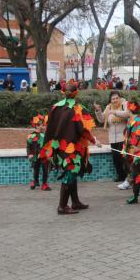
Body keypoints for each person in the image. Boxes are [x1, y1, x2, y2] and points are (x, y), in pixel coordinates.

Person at [40, 80, 100, 215]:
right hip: (73, 148)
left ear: (63, 93)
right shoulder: (78, 109)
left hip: (59, 147)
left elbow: (48, 127)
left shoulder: (55, 108)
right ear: (76, 93)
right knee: (70, 173)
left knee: (70, 173)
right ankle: (62, 206)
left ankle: (75, 201)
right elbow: (84, 129)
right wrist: (93, 140)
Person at [94, 91, 131, 188]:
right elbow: (102, 119)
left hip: (123, 137)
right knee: (116, 159)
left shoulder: (124, 104)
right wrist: (98, 111)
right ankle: (121, 176)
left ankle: (128, 178)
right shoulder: (108, 107)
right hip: (112, 138)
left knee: (123, 158)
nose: (115, 100)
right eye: (113, 99)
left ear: (120, 98)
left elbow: (127, 114)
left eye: (116, 98)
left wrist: (114, 112)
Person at [26, 113, 51, 191]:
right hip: (35, 155)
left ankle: (44, 184)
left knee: (45, 170)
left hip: (44, 155)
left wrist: (49, 153)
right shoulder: (31, 136)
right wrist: (29, 154)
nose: (42, 126)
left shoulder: (45, 135)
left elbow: (49, 145)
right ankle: (35, 181)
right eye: (41, 125)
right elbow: (28, 146)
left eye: (43, 125)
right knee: (36, 169)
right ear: (36, 126)